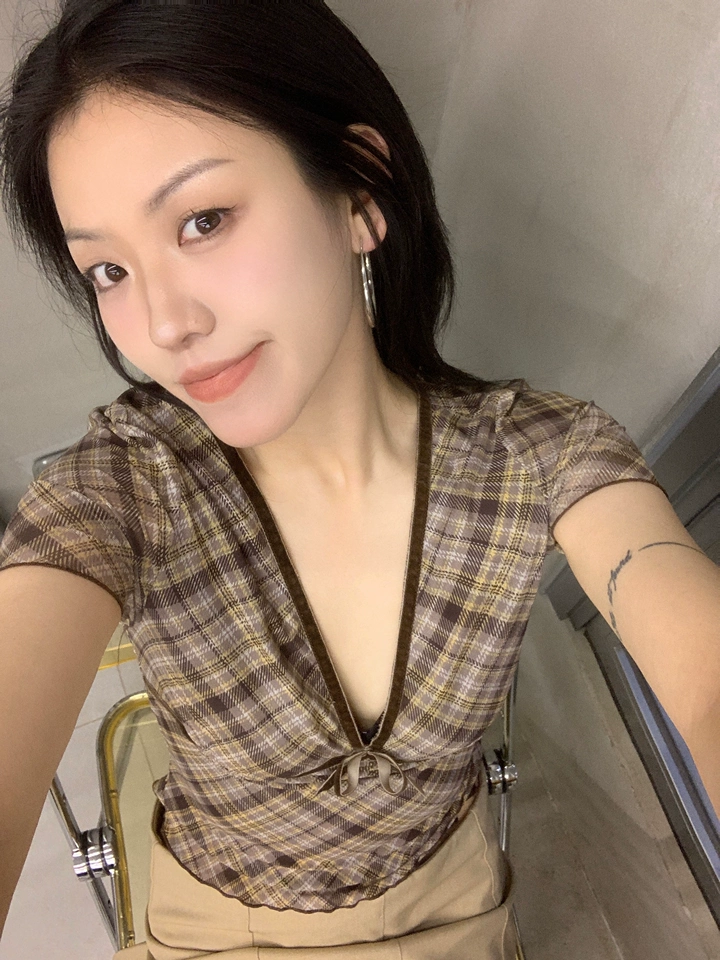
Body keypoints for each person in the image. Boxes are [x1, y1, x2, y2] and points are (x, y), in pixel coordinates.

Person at [1, 2, 718, 958]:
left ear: (359, 193)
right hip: (211, 932)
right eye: (108, 271)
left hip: (455, 906)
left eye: (203, 221)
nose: (164, 326)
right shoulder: (125, 487)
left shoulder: (538, 455)